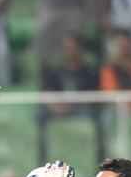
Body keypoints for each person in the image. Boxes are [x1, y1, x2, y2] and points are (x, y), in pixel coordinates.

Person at [37, 33, 105, 164]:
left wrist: (73, 106)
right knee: (40, 115)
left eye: (73, 48)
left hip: (83, 112)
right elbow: (47, 94)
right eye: (68, 48)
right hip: (57, 112)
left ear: (80, 50)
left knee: (99, 117)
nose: (71, 52)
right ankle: (42, 163)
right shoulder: (54, 72)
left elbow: (94, 98)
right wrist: (58, 107)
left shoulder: (90, 72)